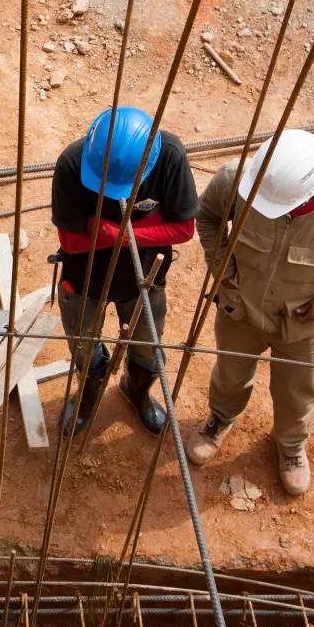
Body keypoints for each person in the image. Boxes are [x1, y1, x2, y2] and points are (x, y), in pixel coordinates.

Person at [186, 130, 314, 496]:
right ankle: (221, 417)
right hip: (240, 307)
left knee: (297, 391)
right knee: (231, 371)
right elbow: (207, 218)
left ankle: (291, 446)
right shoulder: (237, 179)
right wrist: (222, 266)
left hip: (304, 325)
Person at [51, 106, 199, 436]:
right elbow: (71, 242)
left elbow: (184, 229)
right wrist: (150, 226)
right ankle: (90, 392)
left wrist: (116, 234)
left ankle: (137, 389)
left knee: (148, 345)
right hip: (85, 278)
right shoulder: (73, 164)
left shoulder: (170, 158)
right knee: (83, 343)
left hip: (144, 277)